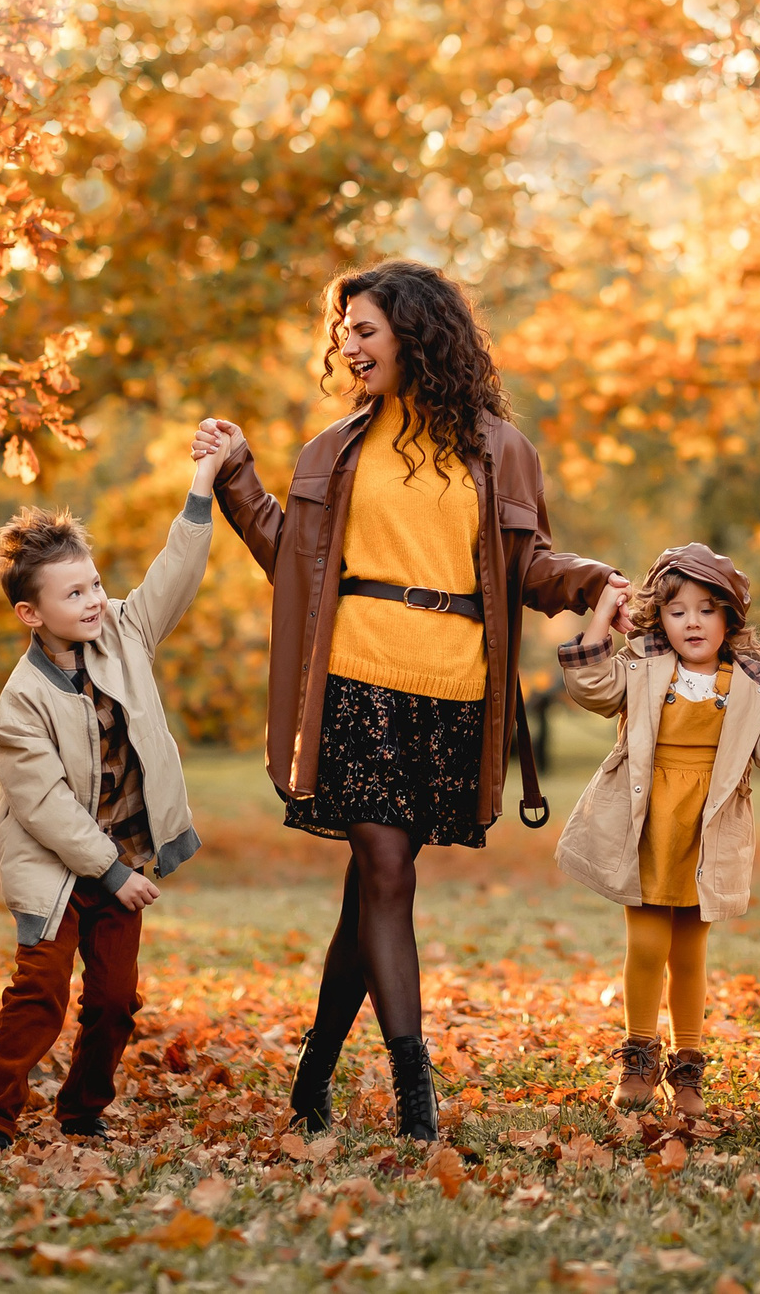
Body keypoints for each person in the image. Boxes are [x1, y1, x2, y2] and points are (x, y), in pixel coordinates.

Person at [194, 260, 626, 1142]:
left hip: (454, 690)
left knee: (372, 885)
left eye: (364, 330)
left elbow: (528, 564)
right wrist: (238, 478)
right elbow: (298, 568)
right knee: (388, 872)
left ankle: (313, 1073)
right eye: (344, 331)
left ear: (416, 334)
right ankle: (414, 1101)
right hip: (357, 677)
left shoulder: (500, 450)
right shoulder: (335, 448)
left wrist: (591, 581)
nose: (348, 346)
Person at [0, 429, 234, 1159]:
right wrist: (107, 870)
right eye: (73, 593)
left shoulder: (123, 634)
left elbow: (173, 573)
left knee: (115, 1001)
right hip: (57, 868)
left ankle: (82, 1110)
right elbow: (44, 805)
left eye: (94, 584)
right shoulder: (19, 706)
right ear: (31, 613)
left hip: (123, 859)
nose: (93, 600)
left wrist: (203, 483)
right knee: (39, 993)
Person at [552, 546, 760, 1116]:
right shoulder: (641, 666)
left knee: (689, 951)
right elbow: (590, 686)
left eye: (708, 609)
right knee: (646, 944)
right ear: (658, 618)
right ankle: (638, 1057)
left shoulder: (750, 684)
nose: (693, 622)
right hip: (644, 821)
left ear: (729, 619)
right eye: (678, 611)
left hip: (706, 827)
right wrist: (602, 611)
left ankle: (687, 1068)